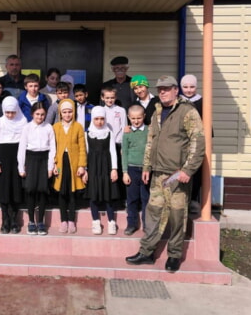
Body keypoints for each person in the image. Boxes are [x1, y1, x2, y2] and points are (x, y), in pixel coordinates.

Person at [125, 75, 205, 273]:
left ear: (176, 90)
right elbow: (150, 141)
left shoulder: (187, 111)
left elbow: (198, 142)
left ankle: (174, 255)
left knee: (177, 216)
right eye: (160, 89)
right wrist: (146, 166)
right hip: (158, 173)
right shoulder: (157, 112)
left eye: (167, 89)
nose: (163, 92)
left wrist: (188, 169)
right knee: (153, 213)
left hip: (177, 175)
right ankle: (147, 252)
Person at [18, 102, 56, 235]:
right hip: (31, 159)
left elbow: (53, 148)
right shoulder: (27, 128)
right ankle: (31, 221)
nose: (40, 117)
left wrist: (50, 167)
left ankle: (40, 221)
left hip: (44, 159)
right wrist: (21, 167)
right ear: (32, 114)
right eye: (37, 114)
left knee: (42, 190)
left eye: (42, 114)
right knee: (31, 190)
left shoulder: (49, 127)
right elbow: (22, 148)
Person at [0, 96, 27, 234]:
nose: (10, 115)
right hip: (3, 158)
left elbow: (25, 143)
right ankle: (5, 219)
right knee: (4, 189)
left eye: (13, 112)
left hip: (17, 156)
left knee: (16, 189)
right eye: (7, 112)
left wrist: (23, 163)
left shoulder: (23, 121)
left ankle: (14, 219)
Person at [52, 99, 88, 234]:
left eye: (70, 112)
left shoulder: (78, 127)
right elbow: (53, 147)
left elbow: (82, 148)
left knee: (72, 193)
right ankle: (63, 220)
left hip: (74, 164)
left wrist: (82, 165)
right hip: (60, 163)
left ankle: (71, 220)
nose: (67, 115)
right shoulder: (56, 127)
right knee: (62, 192)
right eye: (65, 112)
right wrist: (53, 164)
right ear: (60, 113)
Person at [84, 106, 120, 235]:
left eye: (102, 119)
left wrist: (114, 169)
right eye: (96, 119)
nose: (99, 121)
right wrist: (85, 170)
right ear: (92, 119)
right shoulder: (87, 133)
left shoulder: (109, 132)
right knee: (93, 195)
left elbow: (113, 151)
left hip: (106, 166)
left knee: (108, 194)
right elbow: (85, 152)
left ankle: (111, 222)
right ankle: (95, 221)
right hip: (93, 167)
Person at [180, 74, 211, 214]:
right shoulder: (178, 101)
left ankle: (193, 200)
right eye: (185, 87)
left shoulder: (202, 102)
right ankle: (182, 199)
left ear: (196, 87)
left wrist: (207, 141)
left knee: (196, 170)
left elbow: (207, 123)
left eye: (192, 87)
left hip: (197, 140)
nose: (189, 90)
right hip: (182, 141)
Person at [121, 104, 150, 236]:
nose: (136, 121)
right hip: (131, 169)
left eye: (139, 118)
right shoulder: (127, 133)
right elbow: (125, 153)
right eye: (133, 118)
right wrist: (125, 172)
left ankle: (147, 224)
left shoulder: (149, 131)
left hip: (145, 170)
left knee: (146, 198)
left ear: (144, 116)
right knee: (132, 199)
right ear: (128, 117)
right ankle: (131, 224)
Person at [100, 85, 126, 203]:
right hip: (104, 145)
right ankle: (106, 197)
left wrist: (123, 146)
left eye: (112, 98)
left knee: (117, 170)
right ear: (102, 98)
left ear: (115, 98)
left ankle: (119, 199)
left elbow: (124, 127)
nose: (109, 100)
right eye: (107, 98)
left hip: (117, 144)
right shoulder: (100, 110)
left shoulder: (121, 110)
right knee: (106, 170)